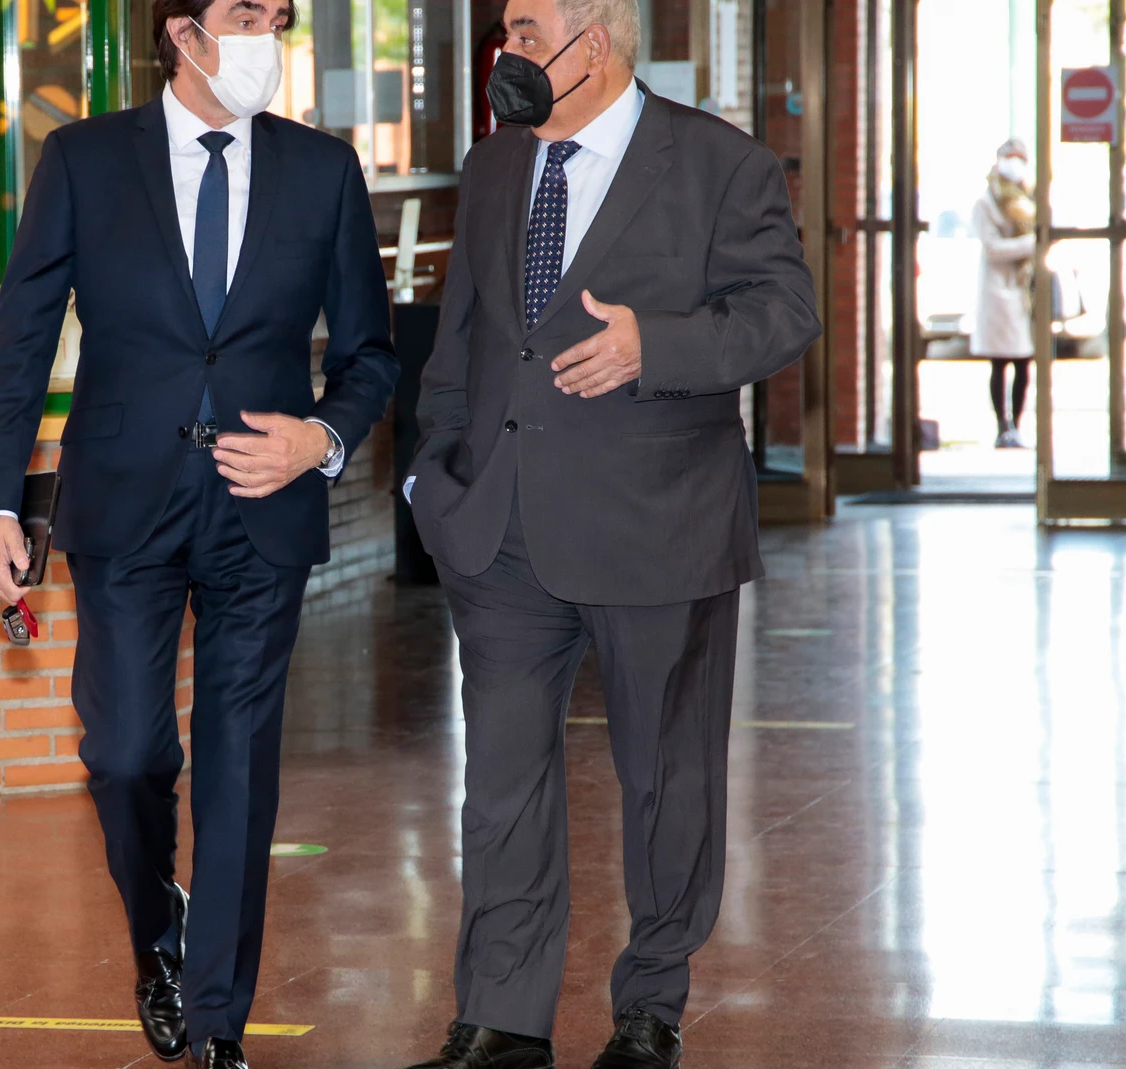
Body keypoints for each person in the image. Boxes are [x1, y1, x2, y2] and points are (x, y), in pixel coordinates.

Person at [0, 0, 399, 1063]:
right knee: (123, 755)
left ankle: (215, 1023)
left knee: (239, 765)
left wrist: (320, 440)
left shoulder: (322, 169)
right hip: (123, 502)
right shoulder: (82, 159)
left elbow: (370, 354)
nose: (268, 32)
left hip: (264, 510)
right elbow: (20, 344)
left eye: (279, 17)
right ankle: (158, 932)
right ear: (182, 30)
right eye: (246, 13)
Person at [398, 0, 819, 1063]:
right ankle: (499, 1019)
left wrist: (656, 346)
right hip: (496, 529)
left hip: (657, 525)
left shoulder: (721, 165)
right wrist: (435, 477)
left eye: (528, 31)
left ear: (597, 41)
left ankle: (649, 1006)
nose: (508, 53)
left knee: (666, 777)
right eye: (504, 30)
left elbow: (784, 314)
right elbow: (462, 340)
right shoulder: (495, 167)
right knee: (499, 780)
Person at [974, 138, 1037, 449]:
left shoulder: (1029, 198)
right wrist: (1030, 245)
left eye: (1019, 157)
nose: (1014, 163)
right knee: (1000, 361)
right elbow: (991, 248)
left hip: (1023, 290)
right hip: (999, 291)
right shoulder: (986, 202)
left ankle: (1018, 425)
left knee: (1024, 361)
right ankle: (1003, 426)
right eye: (1009, 157)